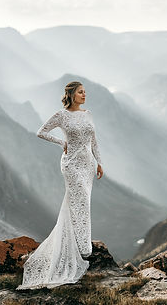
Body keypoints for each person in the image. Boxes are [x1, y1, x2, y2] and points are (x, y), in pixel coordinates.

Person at [16, 80, 104, 289]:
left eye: (85, 92)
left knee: (83, 203)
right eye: (81, 92)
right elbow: (41, 131)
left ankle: (81, 245)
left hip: (87, 164)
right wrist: (61, 143)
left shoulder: (88, 114)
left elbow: (94, 141)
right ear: (72, 94)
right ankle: (78, 248)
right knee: (78, 199)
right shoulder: (61, 116)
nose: (84, 95)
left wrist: (99, 162)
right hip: (71, 164)